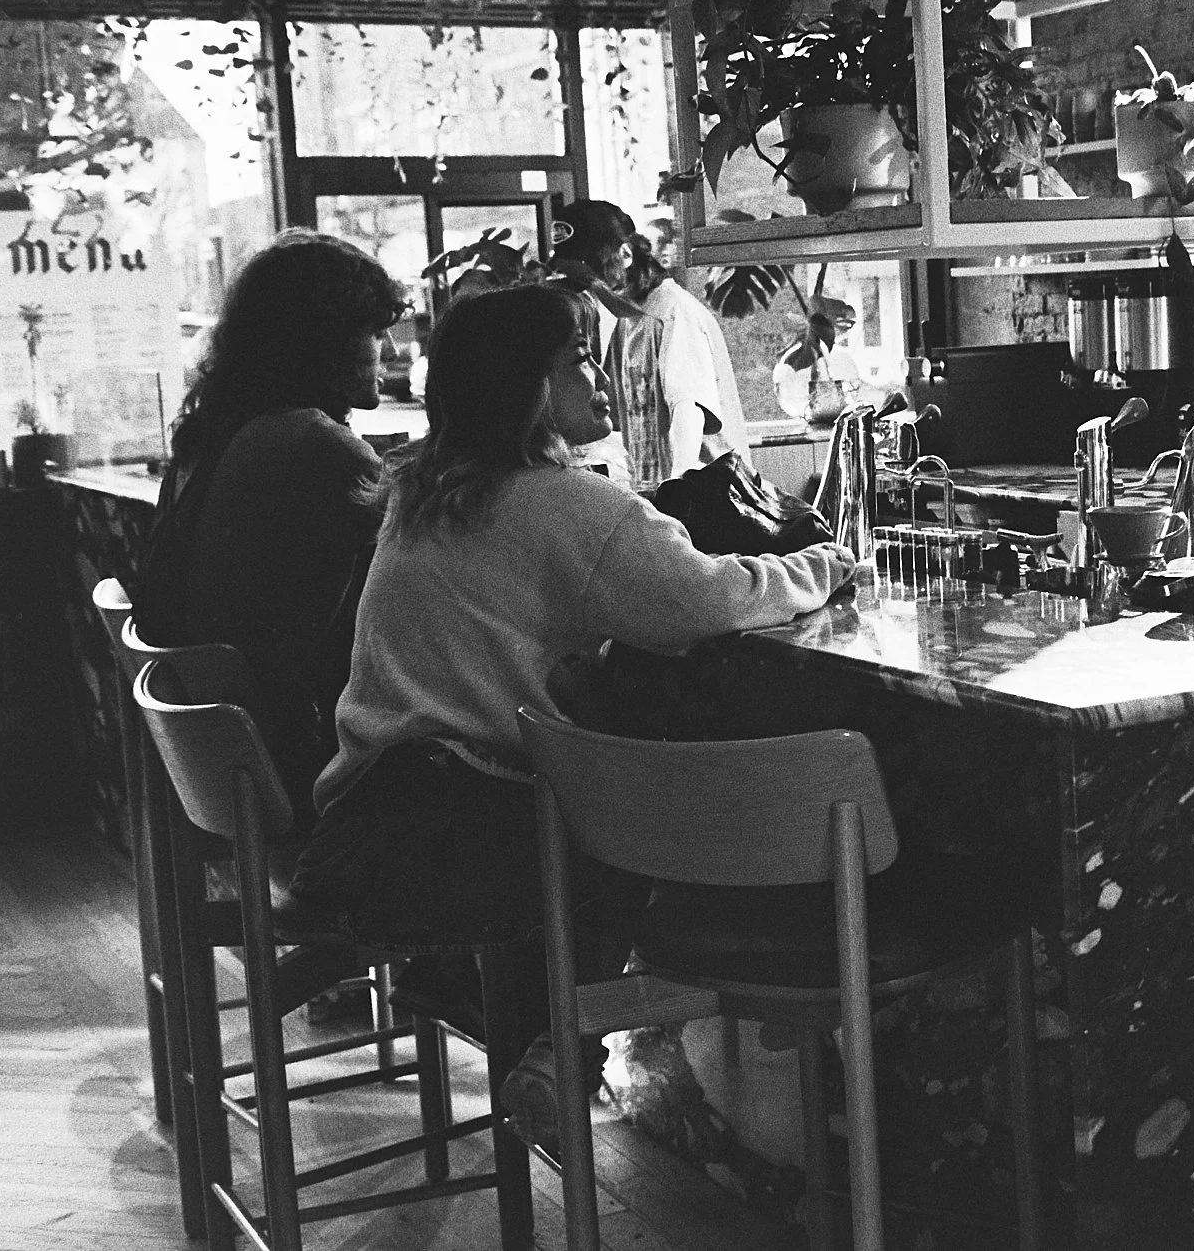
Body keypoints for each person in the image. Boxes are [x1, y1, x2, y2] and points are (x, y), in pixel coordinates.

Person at [287, 283, 854, 1135]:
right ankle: (563, 1040)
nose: (598, 374)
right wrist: (827, 563)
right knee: (623, 789)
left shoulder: (426, 488)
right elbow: (703, 600)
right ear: (530, 386)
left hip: (366, 818)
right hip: (456, 838)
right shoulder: (563, 503)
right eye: (578, 358)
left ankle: (543, 1033)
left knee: (587, 750)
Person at [134, 228, 406, 808]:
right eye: (374, 328)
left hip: (226, 745)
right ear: (324, 340)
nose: (391, 348)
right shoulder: (315, 444)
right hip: (302, 752)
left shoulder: (210, 433)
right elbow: (425, 570)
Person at [545, 198, 671, 488]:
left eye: (588, 271)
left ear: (624, 254)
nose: (577, 283)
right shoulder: (587, 307)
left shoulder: (657, 312)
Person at [625, 232, 751, 473]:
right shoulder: (629, 317)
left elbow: (688, 407)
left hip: (705, 486)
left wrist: (677, 484)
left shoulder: (675, 311)